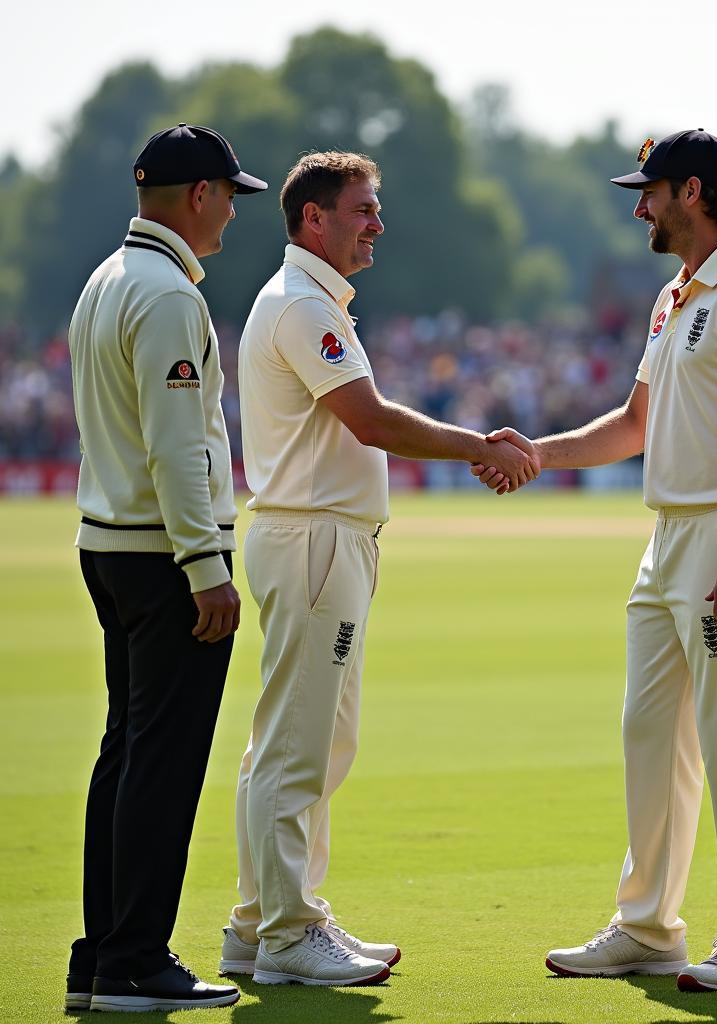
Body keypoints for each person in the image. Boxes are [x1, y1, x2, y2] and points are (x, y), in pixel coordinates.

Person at [476, 131, 717, 992]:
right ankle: (649, 924)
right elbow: (634, 423)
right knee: (650, 738)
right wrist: (535, 451)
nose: (638, 207)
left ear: (691, 192)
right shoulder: (674, 295)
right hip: (664, 542)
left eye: (647, 191)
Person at [219, 150, 538, 987]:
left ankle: (264, 922)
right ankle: (286, 933)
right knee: (301, 742)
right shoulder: (300, 305)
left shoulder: (310, 300)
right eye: (362, 209)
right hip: (315, 539)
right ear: (312, 218)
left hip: (322, 539)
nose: (377, 224)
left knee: (305, 739)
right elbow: (367, 419)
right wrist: (479, 444)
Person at [65, 123, 267, 1013]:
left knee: (124, 754)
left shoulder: (105, 279)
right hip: (163, 556)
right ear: (198, 197)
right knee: (163, 761)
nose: (231, 208)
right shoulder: (169, 294)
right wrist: (206, 566)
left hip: (107, 545)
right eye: (228, 193)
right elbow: (180, 449)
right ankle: (135, 961)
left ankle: (100, 950)